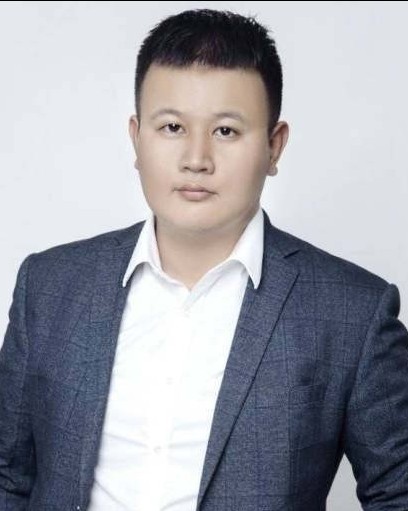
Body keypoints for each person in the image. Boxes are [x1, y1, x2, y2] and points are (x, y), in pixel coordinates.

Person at [1, 7, 407, 511]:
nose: (196, 159)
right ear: (136, 138)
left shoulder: (353, 313)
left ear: (274, 146)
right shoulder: (48, 286)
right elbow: (8, 476)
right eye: (172, 126)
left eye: (226, 131)